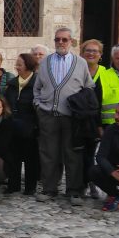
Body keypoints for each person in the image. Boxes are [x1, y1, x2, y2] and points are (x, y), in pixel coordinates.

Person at [33, 28, 95, 205]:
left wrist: (80, 107)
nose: (60, 42)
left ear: (71, 41)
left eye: (64, 40)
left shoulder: (80, 63)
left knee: (73, 153)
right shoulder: (45, 62)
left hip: (72, 117)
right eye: (57, 39)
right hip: (48, 115)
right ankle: (49, 188)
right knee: (49, 153)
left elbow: (89, 87)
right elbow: (37, 87)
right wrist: (38, 104)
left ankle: (74, 190)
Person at [2, 53, 40, 195]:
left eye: (20, 64)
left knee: (31, 158)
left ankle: (30, 186)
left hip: (31, 127)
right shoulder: (12, 84)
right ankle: (13, 185)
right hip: (13, 126)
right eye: (16, 64)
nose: (16, 67)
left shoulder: (37, 83)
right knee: (13, 157)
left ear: (28, 66)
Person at [81, 39, 106, 199]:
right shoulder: (77, 70)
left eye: (95, 51)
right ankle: (84, 183)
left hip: (99, 121)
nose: (91, 53)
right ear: (82, 53)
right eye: (88, 50)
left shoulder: (106, 73)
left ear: (100, 55)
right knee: (82, 155)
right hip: (80, 119)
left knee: (95, 154)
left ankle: (94, 183)